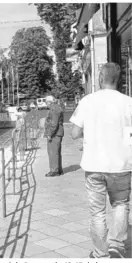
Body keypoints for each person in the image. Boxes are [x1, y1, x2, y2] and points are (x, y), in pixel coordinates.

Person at [70, 62, 132, 258]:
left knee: (97, 212)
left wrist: (88, 138)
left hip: (95, 164)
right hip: (121, 165)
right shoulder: (128, 102)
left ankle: (100, 253)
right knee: (120, 205)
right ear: (119, 80)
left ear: (99, 79)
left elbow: (75, 132)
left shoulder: (88, 101)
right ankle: (117, 246)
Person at [44, 95, 64, 177]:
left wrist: (49, 134)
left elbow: (54, 124)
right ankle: (58, 169)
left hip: (55, 134)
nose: (46, 104)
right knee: (57, 152)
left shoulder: (54, 109)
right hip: (58, 132)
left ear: (49, 102)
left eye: (46, 102)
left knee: (53, 152)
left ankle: (54, 170)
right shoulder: (57, 108)